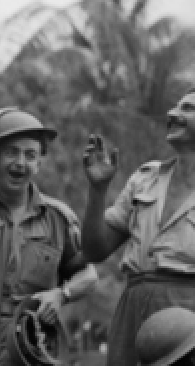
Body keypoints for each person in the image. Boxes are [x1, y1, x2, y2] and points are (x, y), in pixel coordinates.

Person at [0, 108, 98, 365]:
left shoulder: (58, 217)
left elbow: (89, 276)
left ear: (38, 164)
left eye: (30, 155)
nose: (20, 163)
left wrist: (61, 295)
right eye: (11, 152)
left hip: (29, 341)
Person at [81, 89, 195, 366]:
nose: (172, 114)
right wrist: (98, 191)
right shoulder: (145, 178)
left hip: (187, 316)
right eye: (175, 106)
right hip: (132, 309)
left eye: (188, 108)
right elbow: (94, 250)